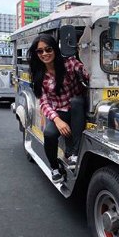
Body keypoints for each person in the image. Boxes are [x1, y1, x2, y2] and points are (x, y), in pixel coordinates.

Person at [27, 34, 89, 183]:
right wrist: (57, 120)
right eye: (40, 51)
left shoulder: (69, 63)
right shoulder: (39, 75)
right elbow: (44, 103)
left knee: (76, 101)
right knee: (49, 133)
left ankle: (74, 154)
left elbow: (87, 73)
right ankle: (54, 167)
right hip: (59, 112)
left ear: (55, 49)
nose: (44, 54)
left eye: (48, 49)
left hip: (77, 109)